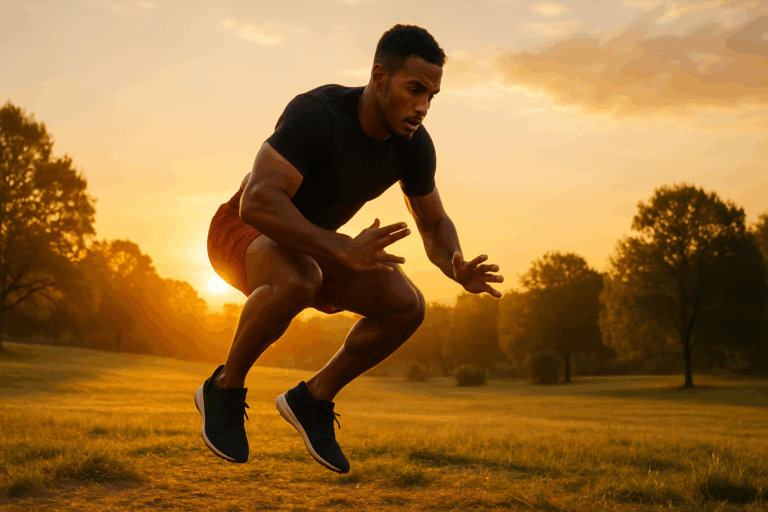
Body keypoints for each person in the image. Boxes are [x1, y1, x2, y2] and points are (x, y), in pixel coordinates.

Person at [195, 24, 503, 474]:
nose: (422, 106)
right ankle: (224, 387)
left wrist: (454, 264)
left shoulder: (413, 146)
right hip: (240, 229)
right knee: (300, 279)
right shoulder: (317, 113)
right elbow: (258, 201)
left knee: (406, 307)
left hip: (313, 246)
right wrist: (339, 246)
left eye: (432, 96)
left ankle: (313, 399)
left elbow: (433, 222)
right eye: (414, 89)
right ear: (379, 77)